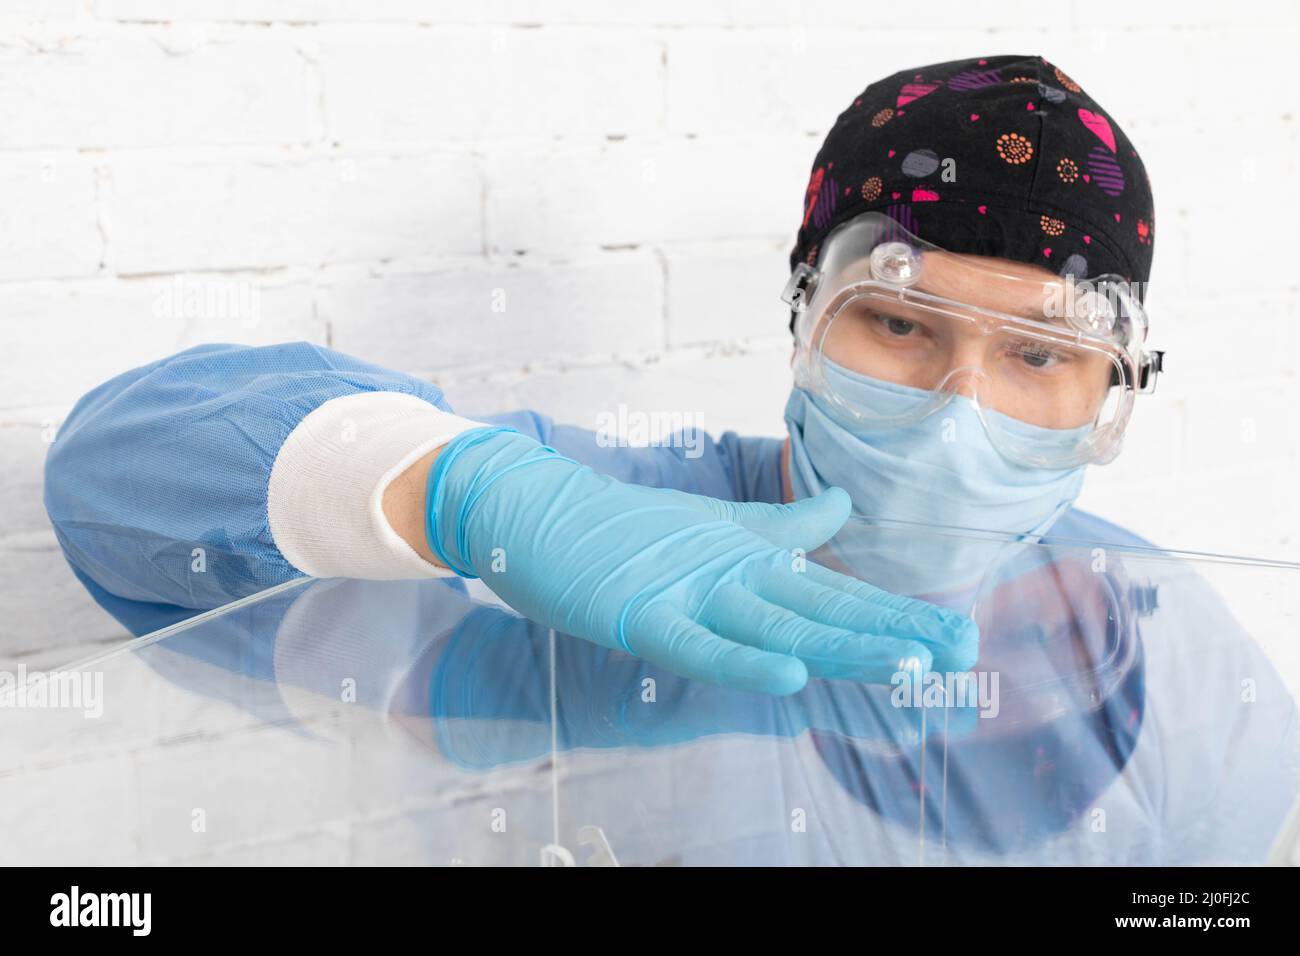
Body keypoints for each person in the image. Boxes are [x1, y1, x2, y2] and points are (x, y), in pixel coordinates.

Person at [45, 54, 1164, 695]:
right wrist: (463, 492)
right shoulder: (592, 533)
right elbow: (110, 472)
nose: (953, 415)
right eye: (900, 326)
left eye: (1037, 352)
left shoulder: (1151, 630)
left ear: (1110, 394)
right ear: (803, 322)